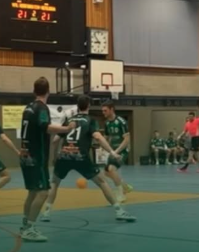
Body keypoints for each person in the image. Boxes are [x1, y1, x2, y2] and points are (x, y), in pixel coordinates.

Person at [41, 95, 136, 225]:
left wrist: (55, 157)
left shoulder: (69, 120)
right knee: (102, 182)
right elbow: (98, 137)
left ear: (77, 107)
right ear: (89, 106)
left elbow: (55, 140)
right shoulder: (90, 120)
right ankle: (119, 211)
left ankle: (46, 212)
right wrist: (112, 152)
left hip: (64, 155)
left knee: (54, 183)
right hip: (81, 156)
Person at [18, 77, 76, 242]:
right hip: (37, 156)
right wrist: (66, 128)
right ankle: (30, 228)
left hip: (25, 155)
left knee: (32, 192)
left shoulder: (28, 108)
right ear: (48, 92)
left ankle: (25, 225)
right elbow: (46, 127)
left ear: (34, 91)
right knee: (43, 192)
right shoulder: (42, 108)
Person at [101, 101, 133, 202]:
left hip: (123, 150)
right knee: (106, 172)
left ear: (112, 109)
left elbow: (127, 140)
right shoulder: (107, 123)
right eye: (102, 111)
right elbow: (106, 137)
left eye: (105, 110)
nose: (103, 112)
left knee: (111, 169)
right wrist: (103, 148)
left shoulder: (121, 122)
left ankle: (121, 194)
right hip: (113, 150)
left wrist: (116, 151)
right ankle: (124, 186)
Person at [178, 107, 199, 173]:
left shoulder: (197, 120)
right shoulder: (187, 123)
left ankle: (184, 168)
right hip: (192, 139)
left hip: (196, 139)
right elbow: (184, 131)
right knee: (197, 156)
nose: (190, 117)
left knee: (190, 154)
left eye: (191, 116)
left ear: (194, 117)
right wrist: (180, 135)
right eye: (189, 116)